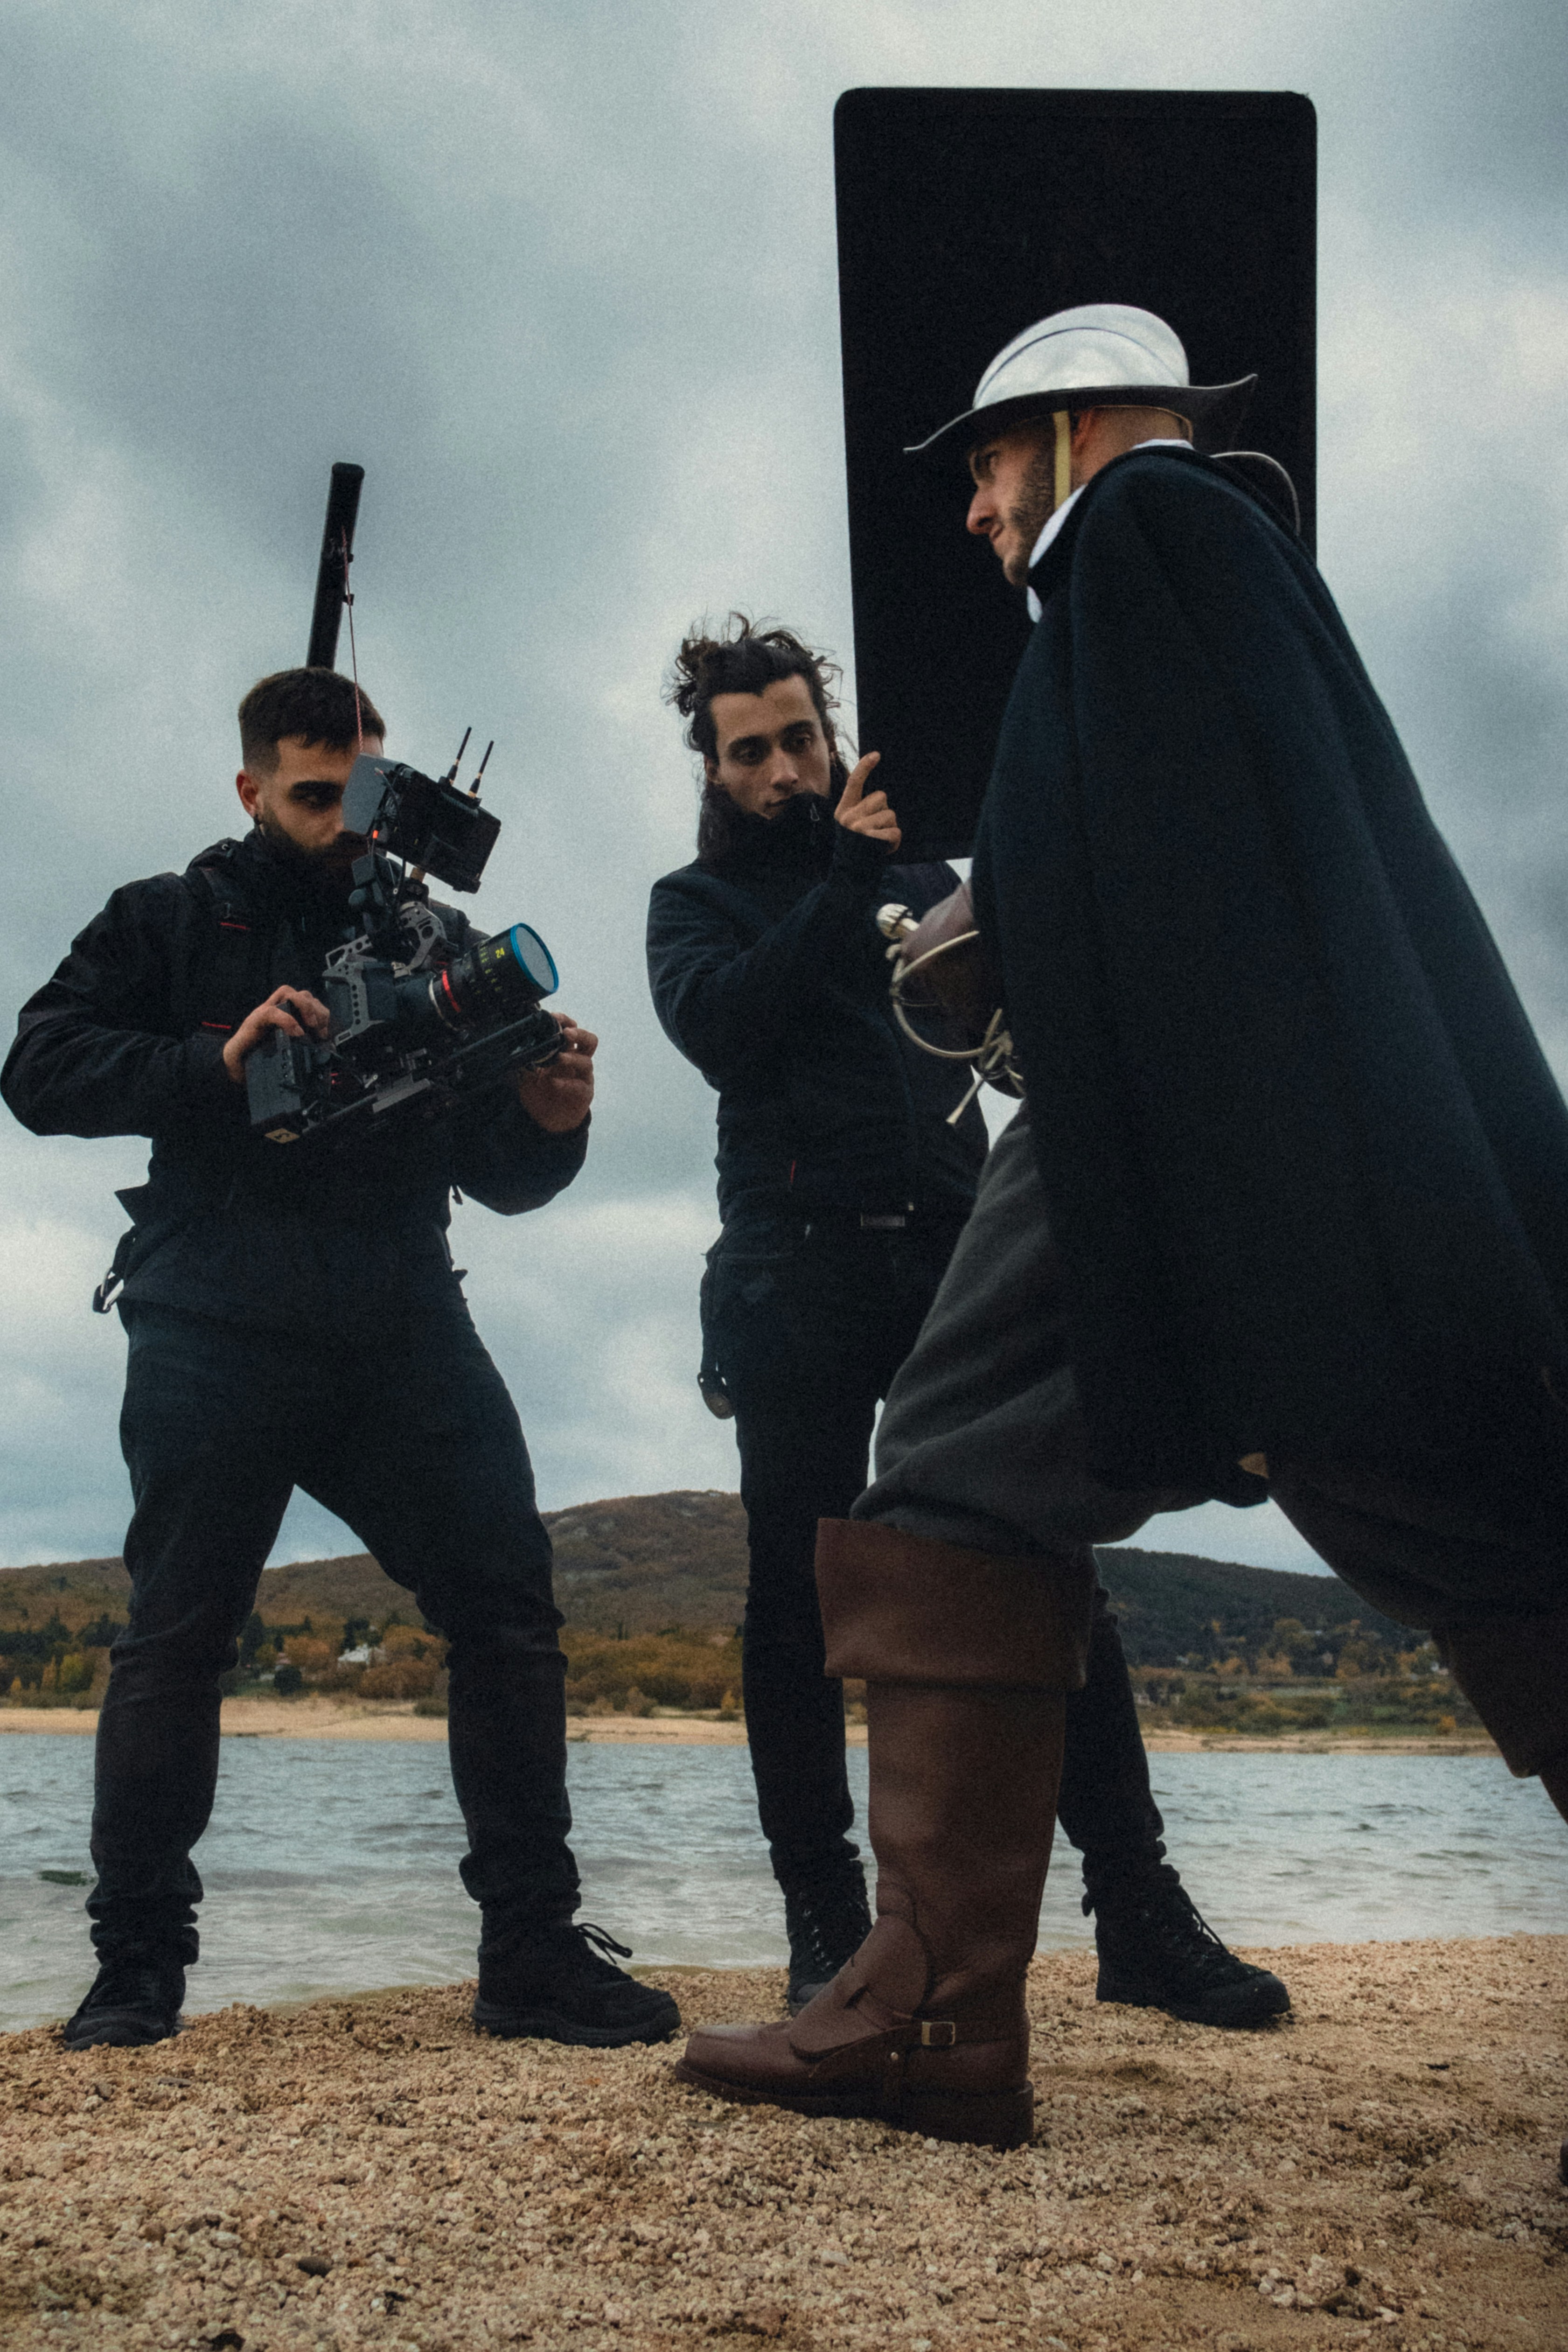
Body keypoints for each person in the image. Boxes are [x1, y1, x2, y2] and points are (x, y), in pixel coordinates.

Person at [675, 304, 1568, 2155]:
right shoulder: (1196, 554)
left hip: (1188, 1132)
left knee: (1005, 1466)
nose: (974, 510)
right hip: (1255, 1137)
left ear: (1076, 429)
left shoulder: (1150, 529)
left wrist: (1013, 946)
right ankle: (935, 2002)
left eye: (987, 463)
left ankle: (931, 2012)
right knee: (1431, 1517)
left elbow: (1178, 871)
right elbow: (1193, 844)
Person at [2, 666, 680, 2054]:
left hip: (399, 1319)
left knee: (507, 1605)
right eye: (314, 796)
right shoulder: (169, 916)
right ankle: (136, 1969)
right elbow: (38, 1067)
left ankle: (530, 1952)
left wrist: (556, 1121)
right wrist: (216, 1058)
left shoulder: (437, 940)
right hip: (213, 1316)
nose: (347, 821)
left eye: (364, 793)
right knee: (178, 1634)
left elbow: (504, 1176)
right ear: (251, 788)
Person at [647, 616, 1288, 2024]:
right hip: (790, 1272)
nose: (782, 770)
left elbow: (1027, 1027)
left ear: (835, 736)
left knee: (1043, 1561)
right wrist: (846, 879)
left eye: (800, 739)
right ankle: (824, 1922)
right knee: (794, 1599)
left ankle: (1137, 1909)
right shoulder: (691, 903)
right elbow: (724, 1029)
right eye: (749, 753)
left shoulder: (926, 876)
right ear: (712, 770)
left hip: (957, 1255)